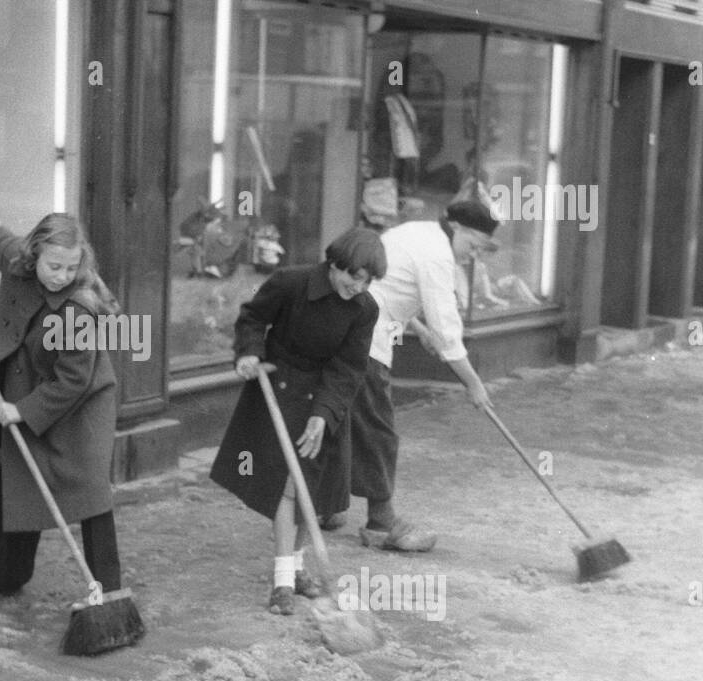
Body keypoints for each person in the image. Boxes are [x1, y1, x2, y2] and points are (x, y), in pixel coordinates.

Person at [0, 213, 122, 599]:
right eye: (53, 266)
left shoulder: (78, 306)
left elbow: (74, 379)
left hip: (80, 404)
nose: (61, 275)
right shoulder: (17, 257)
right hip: (23, 387)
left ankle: (109, 589)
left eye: (71, 267)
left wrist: (24, 410)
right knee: (18, 480)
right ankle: (9, 573)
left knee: (89, 490)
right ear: (35, 255)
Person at [209, 227, 387, 615]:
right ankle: (282, 581)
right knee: (288, 485)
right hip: (280, 386)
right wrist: (249, 353)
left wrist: (324, 415)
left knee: (316, 488)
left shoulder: (364, 310)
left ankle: (299, 567)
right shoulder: (292, 282)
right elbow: (252, 318)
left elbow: (348, 367)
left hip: (326, 397)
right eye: (351, 276)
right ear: (335, 264)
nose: (356, 287)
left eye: (366, 281)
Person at [329, 200, 497, 551]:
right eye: (474, 246)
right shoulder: (437, 257)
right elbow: (448, 330)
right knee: (378, 431)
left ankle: (324, 505)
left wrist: (417, 326)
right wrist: (473, 383)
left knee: (337, 418)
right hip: (365, 339)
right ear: (459, 230)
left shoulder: (416, 231)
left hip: (343, 328)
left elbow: (388, 284)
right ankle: (381, 522)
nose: (473, 256)